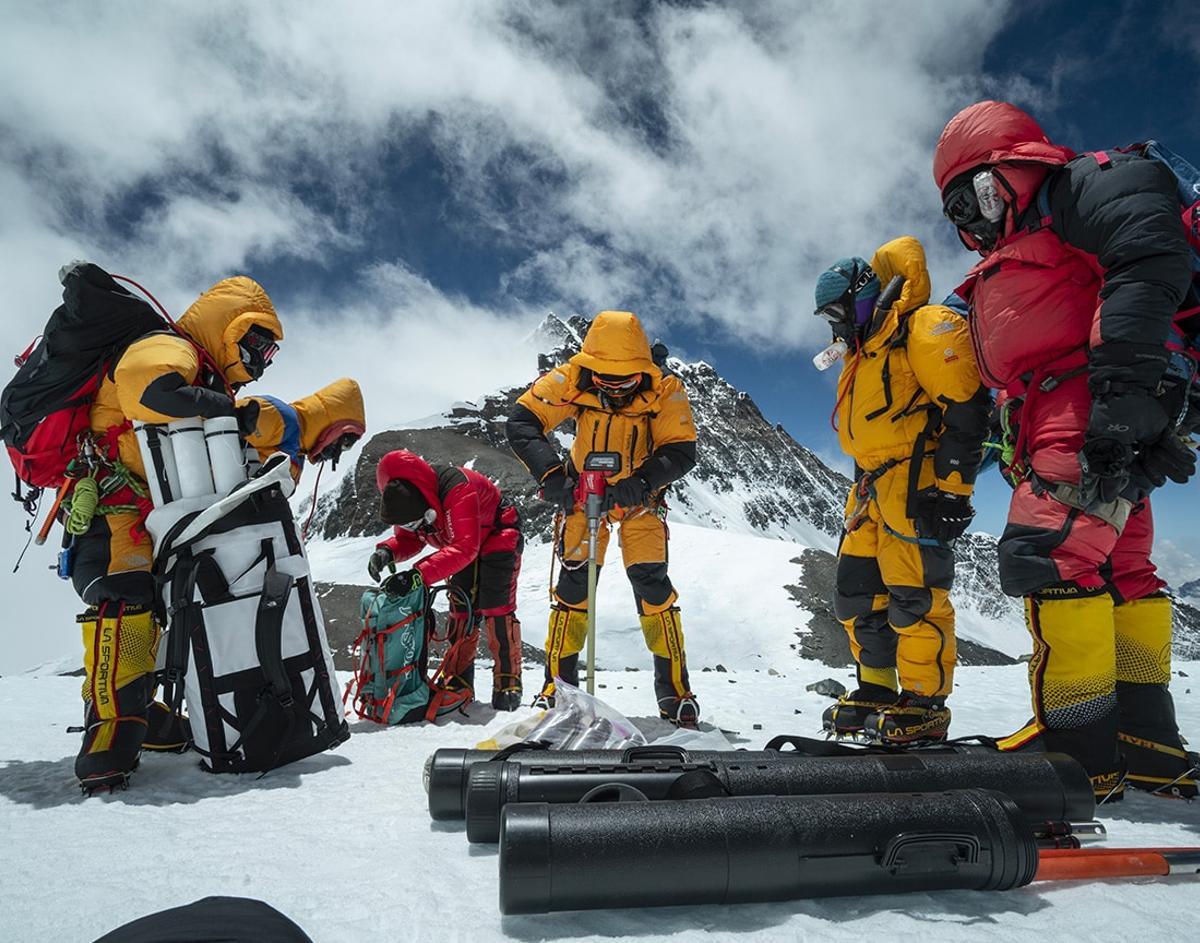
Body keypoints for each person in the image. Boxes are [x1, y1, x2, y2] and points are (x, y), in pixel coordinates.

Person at [933, 100, 1198, 798]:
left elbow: (1147, 251)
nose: (971, 223)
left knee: (1043, 553)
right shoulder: (1024, 246)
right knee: (1122, 570)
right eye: (956, 213)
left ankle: (1077, 754)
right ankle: (1146, 741)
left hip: (1091, 404)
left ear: (1014, 167)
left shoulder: (1084, 186)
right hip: (1079, 410)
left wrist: (1127, 394)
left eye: (977, 196)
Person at [71, 272, 282, 791]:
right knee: (128, 602)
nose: (259, 360)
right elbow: (152, 390)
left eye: (268, 354)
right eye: (256, 344)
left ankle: (144, 717)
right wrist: (224, 409)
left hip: (142, 516)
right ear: (229, 328)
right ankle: (110, 730)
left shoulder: (203, 371)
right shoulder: (169, 346)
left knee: (160, 607)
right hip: (116, 515)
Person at [813, 237, 990, 743]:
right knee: (856, 595)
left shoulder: (924, 329)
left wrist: (953, 492)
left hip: (917, 486)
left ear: (863, 297)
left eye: (837, 311)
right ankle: (876, 689)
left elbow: (966, 408)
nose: (834, 324)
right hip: (869, 490)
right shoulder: (866, 350)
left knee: (915, 598)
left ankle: (925, 704)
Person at [505, 310, 700, 726]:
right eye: (603, 379)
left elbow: (681, 450)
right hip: (583, 497)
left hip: (639, 503)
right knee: (573, 590)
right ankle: (557, 690)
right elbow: (523, 421)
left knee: (653, 589)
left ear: (641, 372)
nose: (612, 388)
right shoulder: (572, 377)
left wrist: (639, 483)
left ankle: (676, 695)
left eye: (623, 381)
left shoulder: (666, 388)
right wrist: (552, 475)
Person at [367, 449, 525, 711]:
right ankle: (459, 679)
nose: (414, 528)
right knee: (461, 610)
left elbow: (465, 548)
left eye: (415, 523)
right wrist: (388, 551)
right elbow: (411, 538)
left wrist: (417, 575)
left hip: (498, 534)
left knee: (497, 607)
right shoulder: (411, 496)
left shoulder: (456, 489)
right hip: (465, 542)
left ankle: (508, 681)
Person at [240, 377, 367, 479]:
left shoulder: (298, 458)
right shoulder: (279, 417)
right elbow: (224, 422)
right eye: (345, 444)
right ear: (336, 431)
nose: (336, 453)